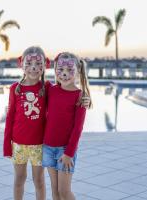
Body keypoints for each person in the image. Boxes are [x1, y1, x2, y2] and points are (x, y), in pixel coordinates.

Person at [42, 52, 92, 200]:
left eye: (70, 70)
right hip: (48, 147)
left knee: (64, 191)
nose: (64, 74)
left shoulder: (80, 97)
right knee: (55, 191)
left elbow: (77, 129)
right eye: (61, 70)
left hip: (65, 150)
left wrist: (69, 153)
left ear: (78, 71)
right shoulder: (51, 90)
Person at [3, 46, 49, 200]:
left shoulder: (47, 88)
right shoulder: (15, 89)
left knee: (39, 181)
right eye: (29, 64)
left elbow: (65, 95)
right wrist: (6, 145)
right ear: (21, 65)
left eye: (38, 64)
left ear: (45, 65)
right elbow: (10, 117)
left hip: (39, 145)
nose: (34, 68)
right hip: (18, 144)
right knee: (19, 179)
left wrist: (83, 99)